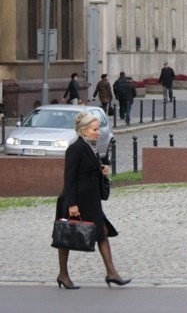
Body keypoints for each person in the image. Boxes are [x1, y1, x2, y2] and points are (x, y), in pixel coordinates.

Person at [55, 111, 130, 289]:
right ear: (84, 131)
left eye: (97, 129)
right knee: (66, 235)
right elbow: (69, 177)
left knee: (102, 231)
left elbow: (88, 170)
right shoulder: (75, 148)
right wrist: (72, 204)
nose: (98, 132)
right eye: (95, 129)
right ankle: (63, 274)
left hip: (91, 199)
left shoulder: (91, 146)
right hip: (75, 200)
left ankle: (111, 273)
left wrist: (100, 169)